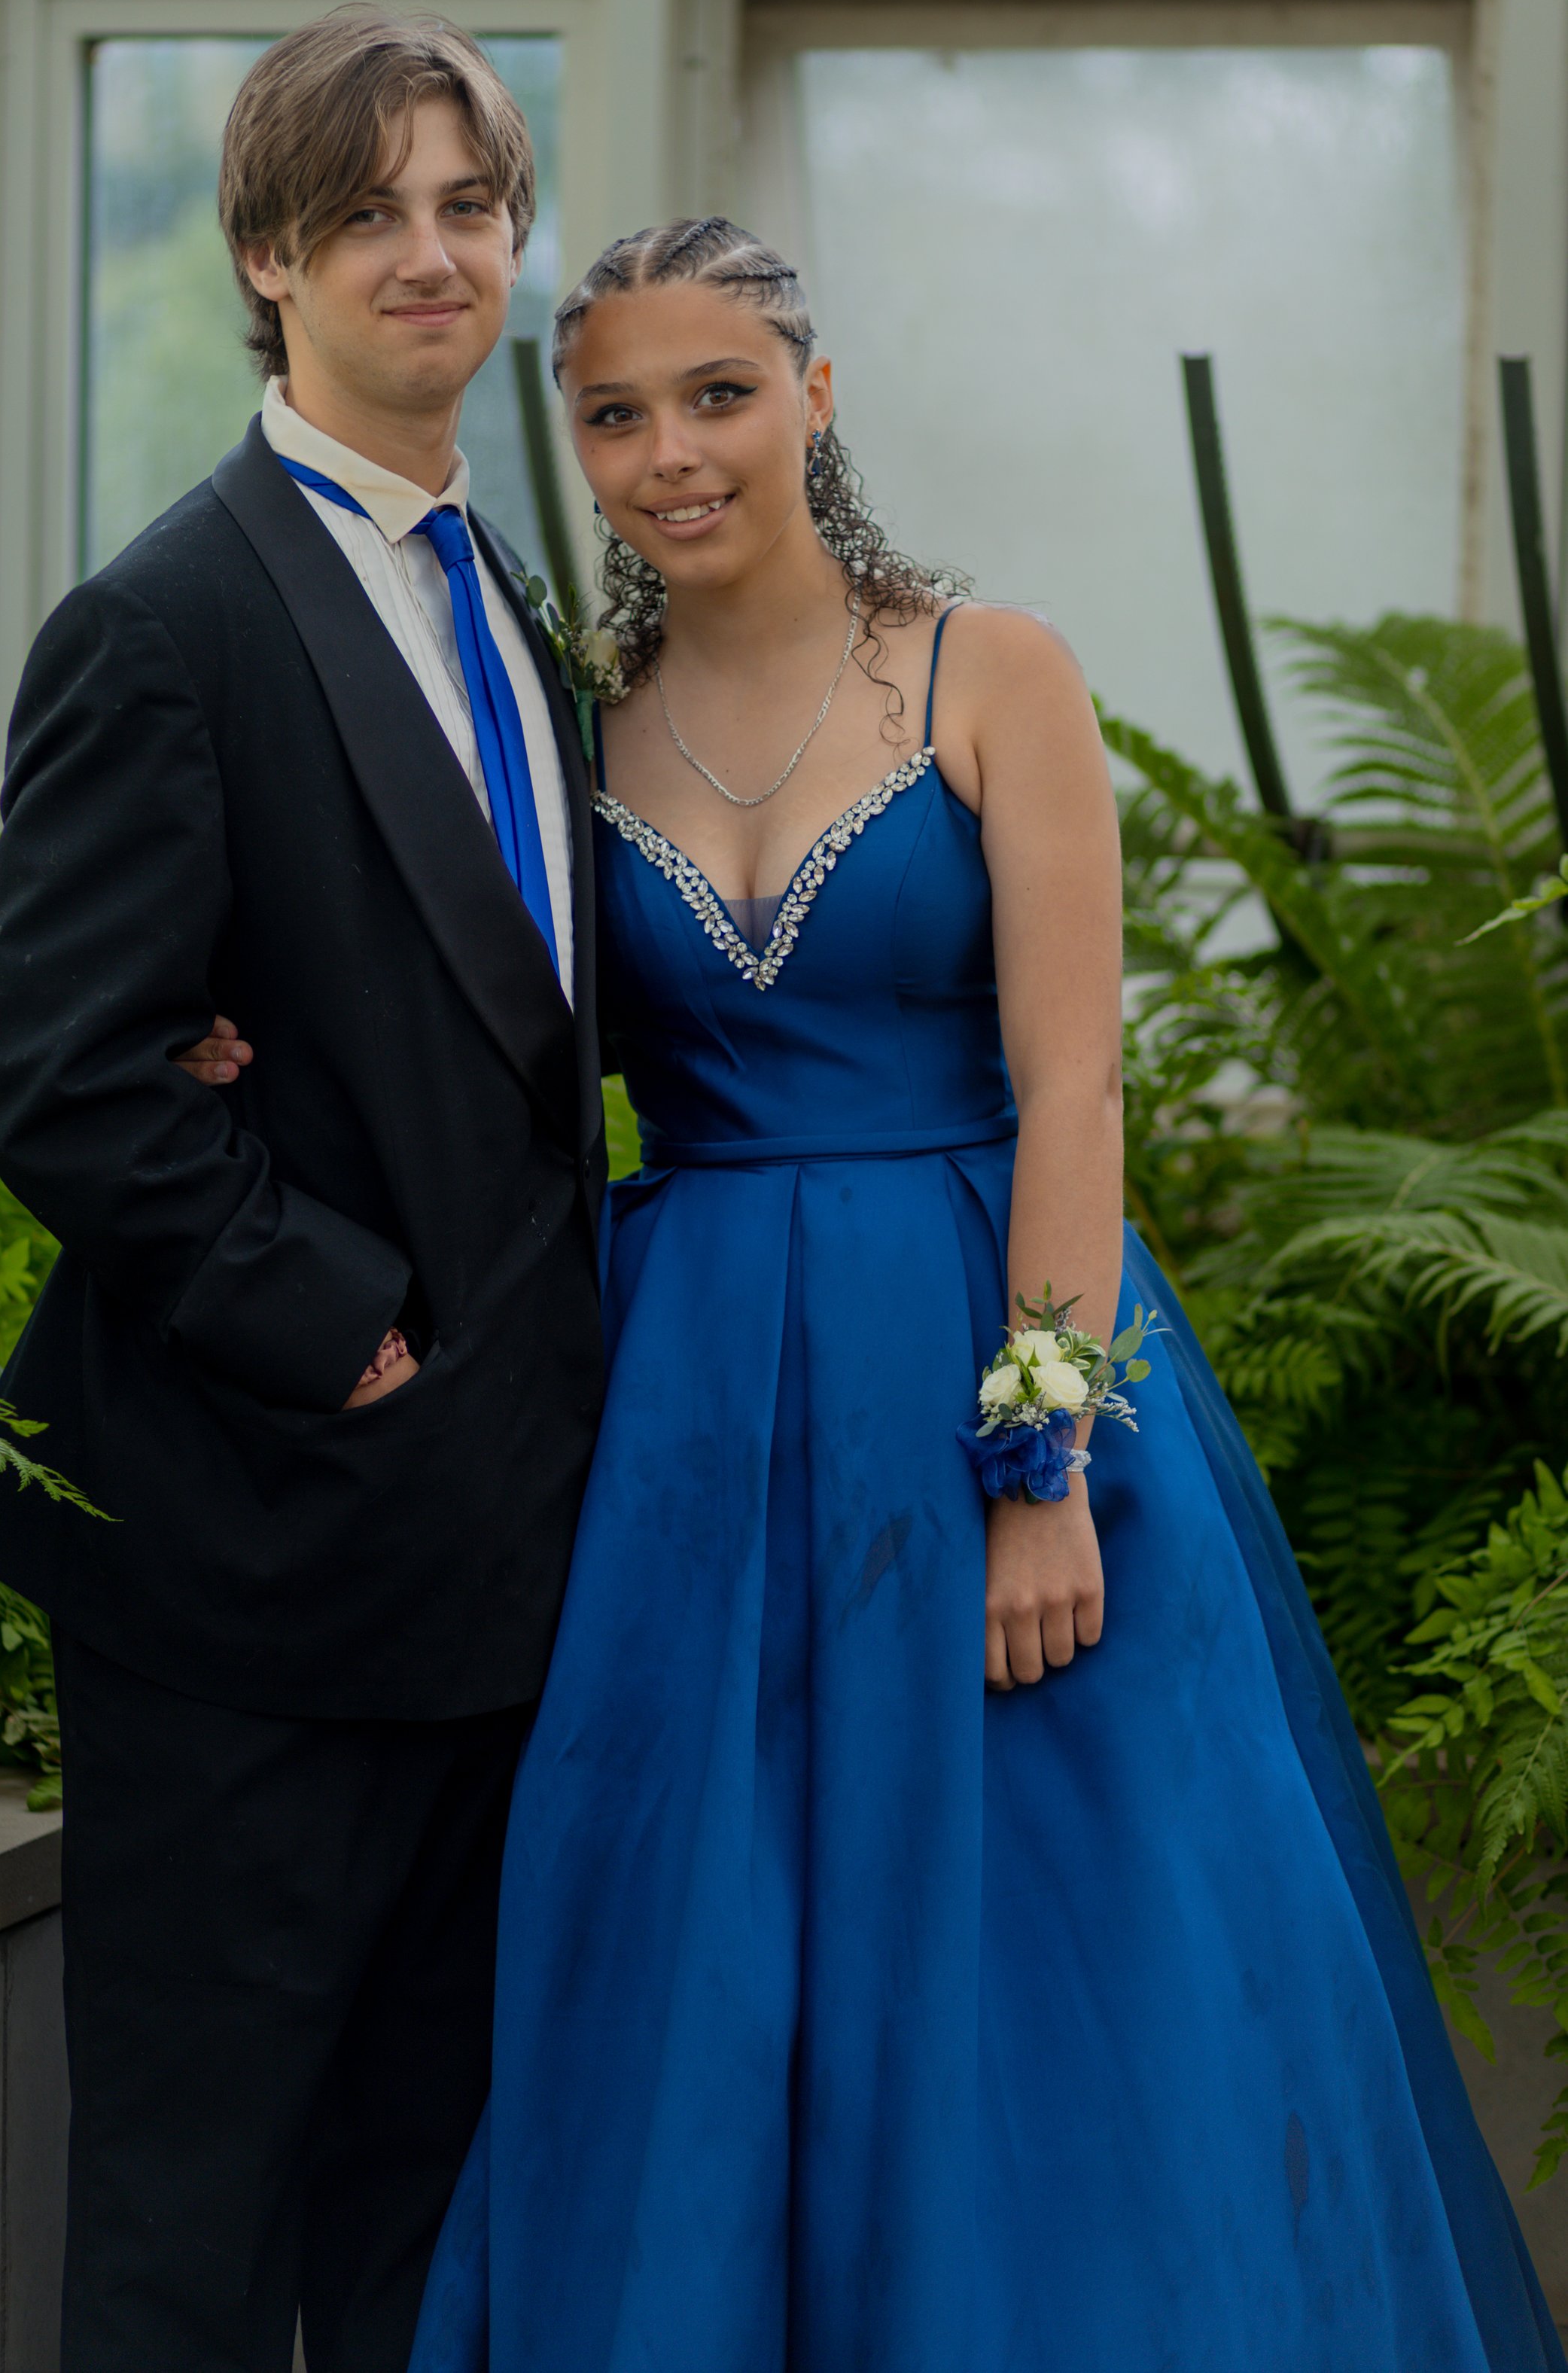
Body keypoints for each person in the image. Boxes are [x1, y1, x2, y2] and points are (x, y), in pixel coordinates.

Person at [392, 219, 1560, 2370]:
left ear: (812, 398)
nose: (670, 454)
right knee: (695, 1939)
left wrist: (1042, 1471)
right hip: (692, 1424)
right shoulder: (567, 730)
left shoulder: (984, 670)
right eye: (617, 413)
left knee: (1061, 1966)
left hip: (983, 1351)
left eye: (717, 393)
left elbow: (1074, 1084)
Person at [0, 8, 606, 2373]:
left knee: (425, 2206)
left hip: (501, 1558)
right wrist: (341, 1323)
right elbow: (62, 1075)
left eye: (467, 209)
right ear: (266, 259)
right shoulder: (165, 621)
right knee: (194, 2222)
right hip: (253, 1559)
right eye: (368, 220)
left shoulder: (507, 595)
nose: (430, 259)